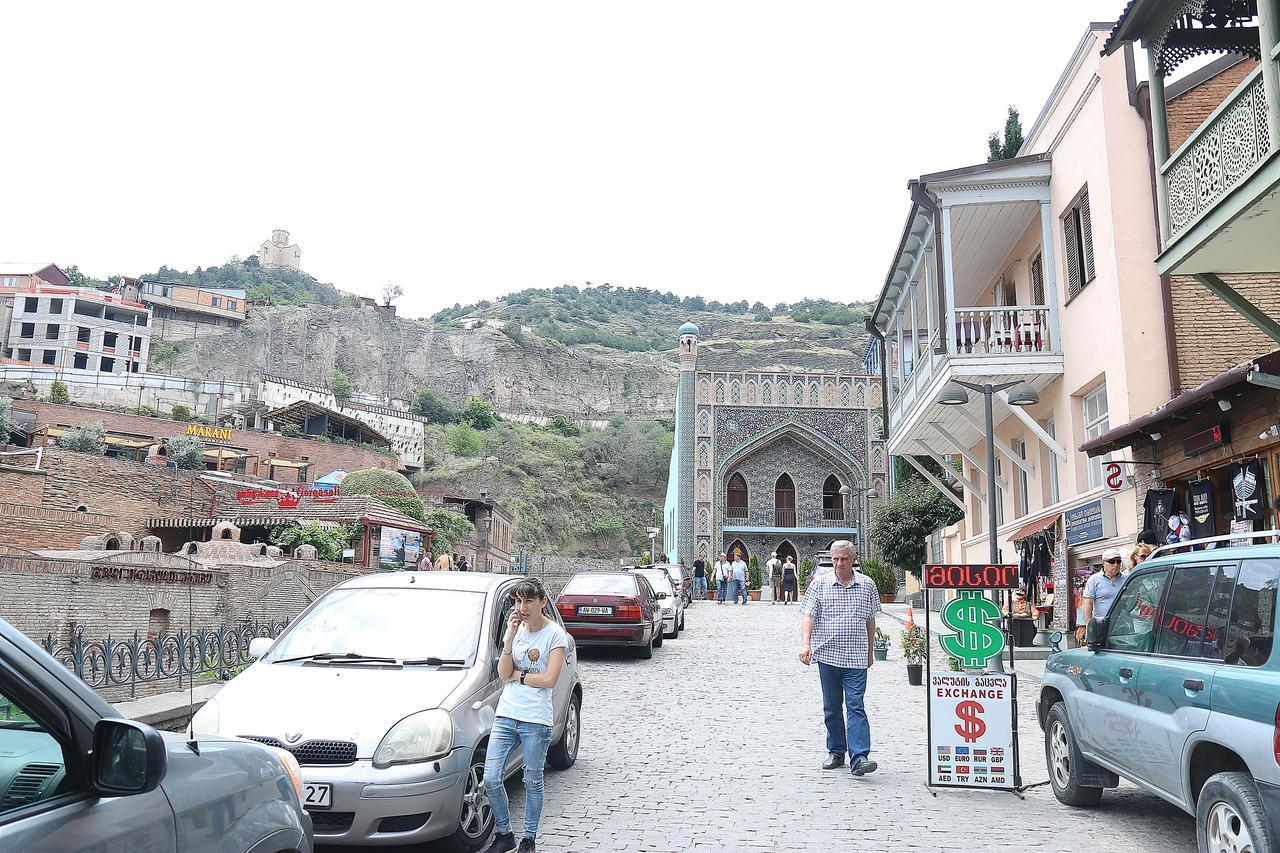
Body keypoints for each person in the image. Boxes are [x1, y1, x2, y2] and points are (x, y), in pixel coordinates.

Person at [484, 578, 568, 853]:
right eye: (518, 601)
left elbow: (550, 679)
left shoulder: (555, 635)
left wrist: (519, 677)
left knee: (532, 780)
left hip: (536, 718)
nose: (523, 607)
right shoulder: (516, 630)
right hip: (507, 713)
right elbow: (502, 672)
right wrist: (508, 639)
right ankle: (505, 833)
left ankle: (528, 839)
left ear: (543, 602)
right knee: (491, 777)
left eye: (529, 601)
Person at [798, 540, 879, 776]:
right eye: (835, 559)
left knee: (856, 706)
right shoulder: (820, 585)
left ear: (853, 559)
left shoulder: (867, 585)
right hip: (828, 656)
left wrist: (870, 651)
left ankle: (860, 757)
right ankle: (836, 751)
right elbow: (808, 616)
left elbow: (870, 620)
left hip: (855, 657)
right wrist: (806, 644)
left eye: (844, 559)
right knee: (832, 708)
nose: (839, 564)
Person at [1076, 548, 1126, 644]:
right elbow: (1087, 603)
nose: (1116, 565)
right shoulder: (1094, 580)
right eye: (1112, 561)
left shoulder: (1127, 578)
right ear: (1103, 563)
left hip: (1123, 625)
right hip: (1102, 625)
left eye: (1118, 561)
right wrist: (1089, 627)